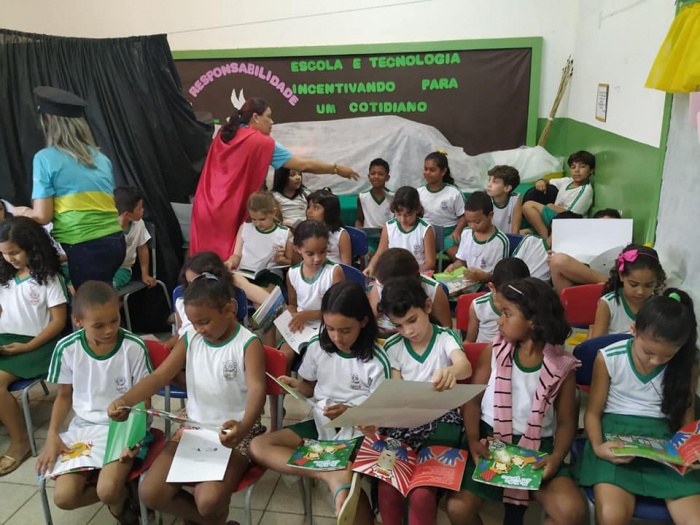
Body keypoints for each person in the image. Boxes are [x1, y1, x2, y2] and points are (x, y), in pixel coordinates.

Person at [108, 273, 267, 525]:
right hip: (194, 425)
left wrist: (244, 426)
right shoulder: (191, 337)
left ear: (229, 310)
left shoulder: (248, 343)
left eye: (204, 321)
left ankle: (206, 519)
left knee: (208, 501)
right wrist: (125, 400)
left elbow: (258, 391)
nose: (199, 329)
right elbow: (160, 376)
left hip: (236, 430)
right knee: (150, 493)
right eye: (193, 323)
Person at [249, 281, 390, 524]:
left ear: (364, 322)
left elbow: (381, 415)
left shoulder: (377, 360)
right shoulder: (318, 347)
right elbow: (309, 387)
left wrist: (350, 412)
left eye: (345, 330)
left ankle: (338, 475)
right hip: (321, 423)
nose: (337, 337)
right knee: (259, 445)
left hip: (360, 432)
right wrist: (296, 386)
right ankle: (328, 473)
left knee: (348, 478)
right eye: (330, 328)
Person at [448, 277, 585, 525]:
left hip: (538, 447)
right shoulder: (494, 351)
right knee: (458, 509)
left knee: (572, 512)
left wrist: (556, 458)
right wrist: (473, 440)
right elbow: (473, 401)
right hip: (490, 441)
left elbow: (566, 422)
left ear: (533, 321)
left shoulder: (561, 366)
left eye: (507, 314)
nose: (499, 321)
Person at [579, 289, 700, 524]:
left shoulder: (686, 363)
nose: (655, 361)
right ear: (633, 330)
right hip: (614, 435)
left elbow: (686, 418)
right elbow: (592, 413)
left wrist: (691, 452)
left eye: (666, 356)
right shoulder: (609, 357)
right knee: (612, 517)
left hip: (665, 439)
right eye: (648, 352)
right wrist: (598, 446)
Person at [36, 281, 152, 523]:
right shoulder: (67, 348)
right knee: (64, 498)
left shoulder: (133, 346)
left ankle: (119, 503)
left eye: (115, 320)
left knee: (107, 489)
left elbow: (144, 398)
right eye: (98, 325)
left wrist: (134, 437)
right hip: (84, 428)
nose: (109, 330)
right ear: (78, 321)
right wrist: (52, 435)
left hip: (124, 427)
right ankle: (122, 499)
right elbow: (64, 395)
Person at [190, 97, 360, 261]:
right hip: (231, 210)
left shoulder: (223, 135)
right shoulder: (261, 142)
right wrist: (336, 168)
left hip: (205, 205)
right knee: (229, 263)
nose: (272, 122)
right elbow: (303, 165)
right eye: (269, 117)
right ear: (256, 117)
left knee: (203, 263)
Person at [366, 277, 471, 525]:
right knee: (387, 486)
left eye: (412, 320)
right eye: (399, 325)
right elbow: (397, 390)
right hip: (404, 425)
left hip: (441, 424)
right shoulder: (393, 346)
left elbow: (464, 366)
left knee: (422, 494)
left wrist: (450, 372)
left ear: (427, 307)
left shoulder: (445, 337)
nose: (408, 331)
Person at [13, 86, 125, 289]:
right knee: (103, 298)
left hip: (84, 246)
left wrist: (21, 212)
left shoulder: (45, 158)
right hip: (115, 242)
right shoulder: (101, 159)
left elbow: (42, 216)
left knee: (89, 304)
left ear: (48, 120)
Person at [0, 217, 68, 476]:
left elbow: (58, 322)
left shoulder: (48, 278)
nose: (9, 258)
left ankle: (20, 442)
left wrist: (28, 347)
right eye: (4, 254)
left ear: (31, 247)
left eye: (14, 252)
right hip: (7, 339)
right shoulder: (5, 276)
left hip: (40, 345)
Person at [280, 220, 344, 369]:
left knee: (310, 360)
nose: (317, 258)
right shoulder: (293, 273)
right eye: (310, 254)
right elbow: (293, 304)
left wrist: (309, 315)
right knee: (282, 358)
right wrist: (290, 314)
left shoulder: (333, 272)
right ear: (297, 248)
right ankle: (283, 384)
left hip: (326, 327)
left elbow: (339, 311)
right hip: (301, 326)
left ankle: (308, 384)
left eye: (322, 251)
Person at [165, 251, 237, 350]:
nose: (192, 288)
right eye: (189, 283)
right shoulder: (182, 303)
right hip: (184, 347)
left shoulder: (222, 304)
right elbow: (181, 333)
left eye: (197, 282)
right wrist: (164, 346)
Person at [367, 248, 452, 331]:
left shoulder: (432, 290)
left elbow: (446, 330)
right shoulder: (380, 282)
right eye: (381, 285)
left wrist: (402, 329)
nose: (383, 289)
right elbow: (372, 319)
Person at [590, 244, 665, 338]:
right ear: (621, 276)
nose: (640, 292)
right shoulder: (608, 304)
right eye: (633, 284)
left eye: (648, 285)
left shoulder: (657, 306)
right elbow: (596, 342)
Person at [224, 191, 292, 288]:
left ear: (273, 212)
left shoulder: (285, 233)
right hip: (244, 273)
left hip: (270, 274)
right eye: (253, 219)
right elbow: (237, 255)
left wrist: (281, 260)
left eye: (262, 219)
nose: (257, 224)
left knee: (264, 292)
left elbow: (292, 263)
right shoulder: (245, 228)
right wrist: (230, 262)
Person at [521, 151, 595, 239]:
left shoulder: (585, 190)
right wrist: (541, 181)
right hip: (555, 219)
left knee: (528, 206)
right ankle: (546, 235)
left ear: (591, 170)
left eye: (582, 167)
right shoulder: (568, 181)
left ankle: (548, 240)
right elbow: (548, 181)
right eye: (573, 167)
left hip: (568, 224)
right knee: (523, 232)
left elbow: (572, 217)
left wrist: (551, 206)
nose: (577, 170)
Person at [365, 186, 436, 275]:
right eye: (399, 214)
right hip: (393, 273)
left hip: (416, 273)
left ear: (417, 209)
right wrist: (371, 266)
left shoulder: (426, 229)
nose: (403, 220)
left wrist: (411, 274)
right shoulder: (389, 227)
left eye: (408, 215)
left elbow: (430, 263)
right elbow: (379, 253)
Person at [445, 191, 510, 284]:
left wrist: (482, 276)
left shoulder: (500, 241)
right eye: (468, 222)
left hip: (489, 285)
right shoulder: (466, 233)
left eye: (477, 222)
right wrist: (453, 267)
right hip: (469, 283)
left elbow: (501, 277)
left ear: (490, 215)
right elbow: (463, 261)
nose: (472, 226)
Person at [466, 258, 530, 344]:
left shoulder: (531, 306)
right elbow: (469, 341)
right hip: (485, 351)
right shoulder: (478, 306)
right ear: (492, 288)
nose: (499, 321)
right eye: (506, 296)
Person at [417, 151, 467, 261]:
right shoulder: (419, 192)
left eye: (432, 170)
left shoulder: (453, 192)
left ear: (443, 171)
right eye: (425, 169)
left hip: (448, 234)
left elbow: (463, 216)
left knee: (457, 257)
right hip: (425, 232)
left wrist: (457, 231)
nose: (427, 173)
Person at [112, 186, 156, 291]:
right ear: (127, 215)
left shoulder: (139, 224)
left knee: (108, 289)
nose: (143, 210)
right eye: (139, 208)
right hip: (104, 269)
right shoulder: (107, 226)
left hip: (123, 270)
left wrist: (145, 274)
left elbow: (142, 249)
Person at [306, 189, 351, 265]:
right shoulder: (305, 232)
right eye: (308, 207)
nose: (309, 211)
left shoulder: (340, 234)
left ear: (328, 211)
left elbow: (347, 265)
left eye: (315, 208)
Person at [355, 158, 393, 235]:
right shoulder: (362, 197)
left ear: (387, 177)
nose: (376, 176)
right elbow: (360, 220)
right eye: (373, 173)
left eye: (381, 174)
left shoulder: (394, 197)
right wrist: (358, 233)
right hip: (368, 237)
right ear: (369, 176)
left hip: (388, 236)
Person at [486, 165, 522, 234]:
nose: (489, 185)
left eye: (494, 181)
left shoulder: (515, 198)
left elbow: (515, 231)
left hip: (509, 238)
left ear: (507, 188)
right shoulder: (485, 199)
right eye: (489, 180)